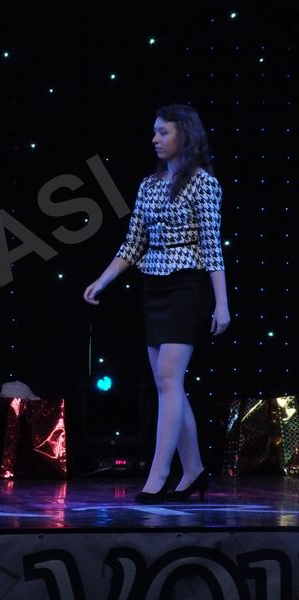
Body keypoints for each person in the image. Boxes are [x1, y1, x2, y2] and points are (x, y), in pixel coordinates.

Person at [83, 104, 230, 504]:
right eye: (154, 132)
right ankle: (194, 469)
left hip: (188, 284)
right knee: (169, 384)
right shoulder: (148, 185)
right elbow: (133, 243)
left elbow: (212, 246)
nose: (155, 139)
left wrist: (222, 303)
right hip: (154, 285)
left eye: (163, 132)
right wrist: (102, 280)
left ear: (184, 134)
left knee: (168, 379)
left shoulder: (203, 184)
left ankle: (159, 474)